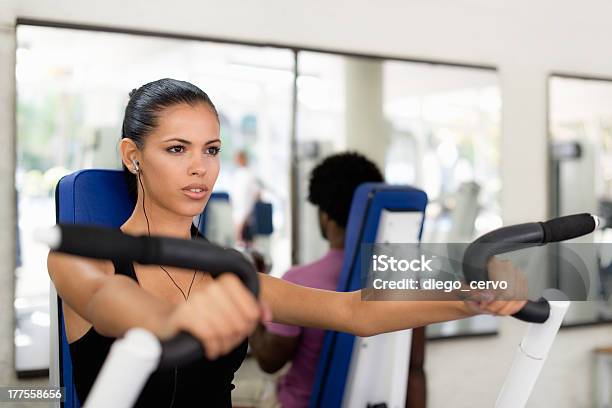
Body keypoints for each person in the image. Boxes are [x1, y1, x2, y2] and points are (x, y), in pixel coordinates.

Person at [47, 78, 526, 408]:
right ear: (133, 156)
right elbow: (110, 302)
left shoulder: (229, 270)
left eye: (211, 150)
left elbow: (352, 311)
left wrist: (466, 297)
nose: (201, 168)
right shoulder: (81, 256)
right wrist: (173, 321)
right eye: (177, 149)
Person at [243, 152, 384, 408]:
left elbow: (269, 360)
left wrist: (248, 291)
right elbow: (414, 369)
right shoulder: (401, 278)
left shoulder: (299, 280)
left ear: (325, 216)